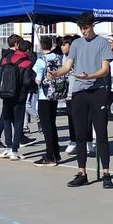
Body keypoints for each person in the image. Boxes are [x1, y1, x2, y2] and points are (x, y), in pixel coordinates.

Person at [49, 13, 113, 188]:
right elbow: (67, 66)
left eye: (86, 28)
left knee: (101, 134)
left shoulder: (102, 43)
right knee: (79, 134)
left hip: (98, 91)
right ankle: (82, 172)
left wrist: (90, 76)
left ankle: (106, 173)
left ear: (92, 26)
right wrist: (56, 73)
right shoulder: (76, 44)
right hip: (79, 92)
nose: (83, 32)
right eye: (81, 29)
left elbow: (105, 70)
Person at [0, 37, 34, 159]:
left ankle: (8, 147)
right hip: (19, 96)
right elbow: (27, 81)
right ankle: (15, 150)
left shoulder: (5, 60)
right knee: (18, 122)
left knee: (7, 120)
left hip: (6, 94)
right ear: (27, 51)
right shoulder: (27, 63)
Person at [33, 36, 64, 165]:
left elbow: (38, 79)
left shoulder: (41, 60)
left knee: (46, 126)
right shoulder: (58, 57)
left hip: (44, 95)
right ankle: (56, 153)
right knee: (52, 124)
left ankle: (49, 155)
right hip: (55, 93)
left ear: (41, 46)